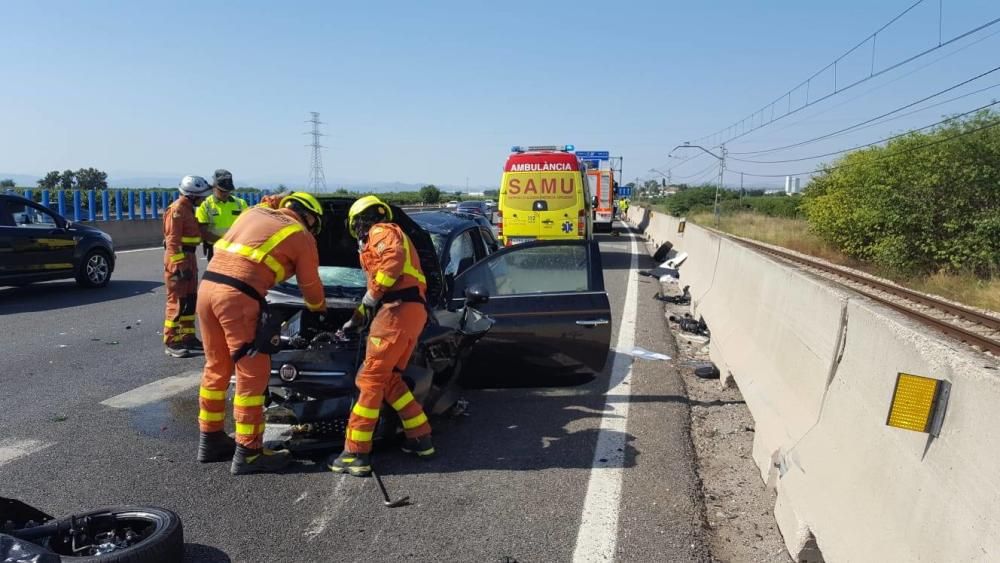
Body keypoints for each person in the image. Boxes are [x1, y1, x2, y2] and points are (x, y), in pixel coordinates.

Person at [195, 192, 327, 475]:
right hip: (238, 296)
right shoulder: (301, 235)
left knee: (216, 366)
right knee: (252, 372)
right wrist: (320, 310)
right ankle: (250, 452)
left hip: (206, 290)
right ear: (310, 216)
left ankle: (211, 438)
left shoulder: (254, 213)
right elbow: (311, 285)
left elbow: (267, 203)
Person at [328, 195, 433, 477]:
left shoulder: (381, 230)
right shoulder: (391, 234)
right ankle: (421, 438)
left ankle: (355, 453)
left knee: (369, 379)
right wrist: (359, 317)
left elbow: (391, 263)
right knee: (389, 380)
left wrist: (370, 299)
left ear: (359, 221)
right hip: (411, 313)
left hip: (396, 312)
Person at [163, 175, 212, 358]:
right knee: (177, 301)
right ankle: (171, 341)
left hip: (189, 257)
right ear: (192, 195)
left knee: (190, 300)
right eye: (201, 196)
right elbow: (172, 242)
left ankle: (187, 337)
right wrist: (180, 265)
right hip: (179, 260)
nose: (204, 199)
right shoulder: (177, 210)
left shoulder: (188, 209)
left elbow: (198, 232)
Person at [195, 169, 248, 261]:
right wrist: (225, 242)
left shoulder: (240, 203)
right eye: (222, 190)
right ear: (214, 187)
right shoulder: (205, 204)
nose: (225, 193)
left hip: (237, 249)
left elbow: (247, 227)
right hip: (215, 248)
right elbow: (203, 232)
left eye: (228, 191)